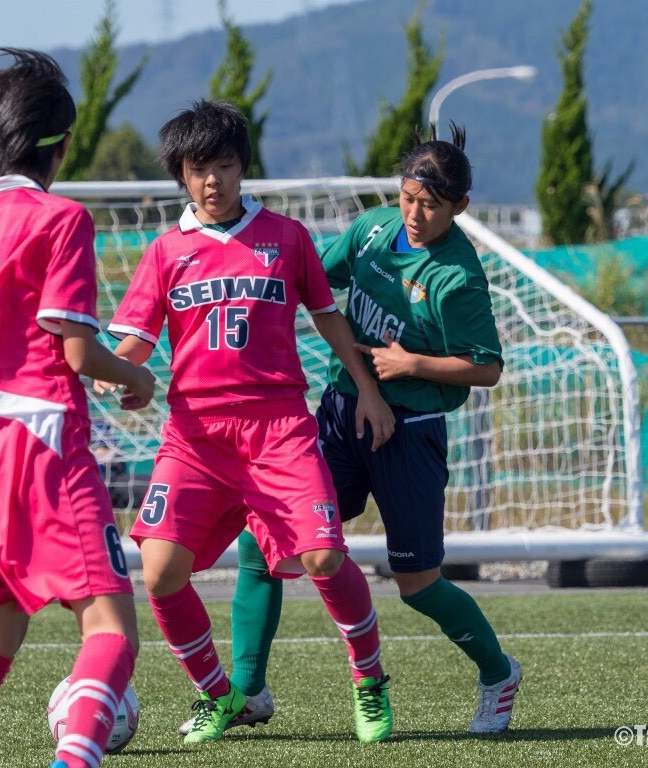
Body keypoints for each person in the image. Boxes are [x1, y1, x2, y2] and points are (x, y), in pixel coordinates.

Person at [183, 123, 521, 737]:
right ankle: (248, 691)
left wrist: (409, 365)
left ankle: (498, 673)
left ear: (460, 208)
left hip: (409, 431)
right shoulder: (370, 232)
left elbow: (488, 368)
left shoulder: (458, 278)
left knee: (416, 583)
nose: (415, 215)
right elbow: (312, 279)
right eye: (409, 198)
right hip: (343, 413)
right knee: (265, 545)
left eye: (432, 206)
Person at [97, 99, 397, 744]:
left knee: (322, 558)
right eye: (200, 168)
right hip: (197, 436)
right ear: (181, 174)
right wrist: (117, 373)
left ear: (243, 167)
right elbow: (135, 342)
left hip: (279, 429)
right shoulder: (165, 252)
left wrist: (368, 389)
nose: (214, 181)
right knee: (158, 571)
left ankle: (370, 681)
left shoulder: (287, 238)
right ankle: (219, 695)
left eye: (225, 165)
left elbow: (326, 315)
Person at [0, 48, 155, 768]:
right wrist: (136, 380)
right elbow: (79, 353)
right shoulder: (60, 219)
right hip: (45, 441)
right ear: (64, 144)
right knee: (112, 631)